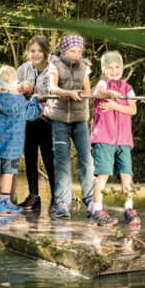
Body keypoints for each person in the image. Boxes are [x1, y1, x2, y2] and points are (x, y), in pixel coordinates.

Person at [44, 33, 95, 219]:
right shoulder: (55, 63)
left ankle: (91, 200)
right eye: (73, 50)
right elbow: (52, 88)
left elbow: (88, 90)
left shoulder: (85, 66)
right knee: (62, 159)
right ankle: (62, 202)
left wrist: (85, 108)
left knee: (87, 159)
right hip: (59, 119)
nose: (76, 54)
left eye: (79, 51)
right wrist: (67, 93)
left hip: (80, 119)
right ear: (64, 49)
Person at [88, 51, 140, 227]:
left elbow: (132, 110)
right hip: (104, 138)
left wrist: (115, 105)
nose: (114, 70)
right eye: (109, 67)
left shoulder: (128, 88)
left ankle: (129, 208)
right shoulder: (103, 83)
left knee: (126, 175)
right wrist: (110, 94)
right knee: (103, 174)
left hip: (123, 140)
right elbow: (99, 92)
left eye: (117, 66)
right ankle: (97, 208)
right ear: (104, 70)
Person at [0, 65, 42, 214]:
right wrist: (35, 101)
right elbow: (32, 114)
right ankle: (4, 203)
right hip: (13, 147)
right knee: (8, 173)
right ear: (15, 82)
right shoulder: (21, 102)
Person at [16, 35, 56, 211]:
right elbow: (13, 90)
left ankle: (56, 197)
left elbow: (55, 92)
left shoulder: (53, 70)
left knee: (48, 157)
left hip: (46, 119)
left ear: (46, 52)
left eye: (40, 51)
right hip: (27, 120)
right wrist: (23, 88)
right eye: (33, 51)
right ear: (28, 53)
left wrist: (40, 96)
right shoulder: (23, 69)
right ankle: (34, 195)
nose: (36, 54)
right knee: (30, 157)